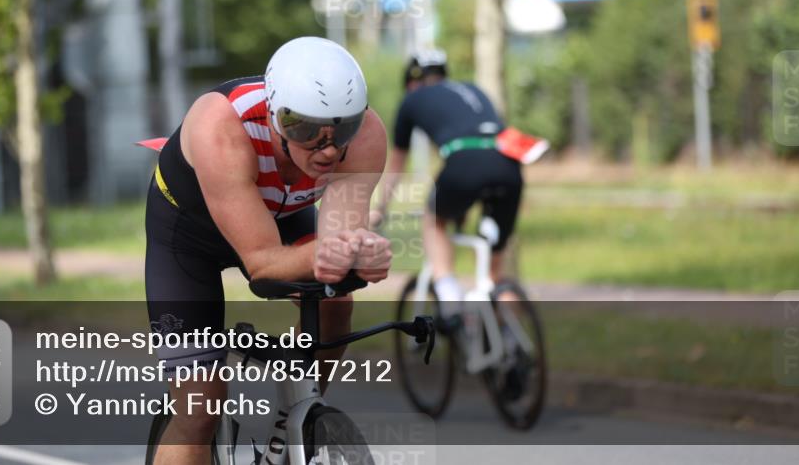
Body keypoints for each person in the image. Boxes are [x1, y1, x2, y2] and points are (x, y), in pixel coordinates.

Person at [145, 36, 391, 465]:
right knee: (199, 409)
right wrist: (331, 254)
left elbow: (339, 243)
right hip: (187, 236)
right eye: (306, 130)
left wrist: (359, 254)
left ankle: (296, 420)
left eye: (342, 129)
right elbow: (263, 265)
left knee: (336, 301)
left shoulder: (368, 134)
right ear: (277, 117)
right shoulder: (221, 123)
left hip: (277, 214)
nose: (328, 149)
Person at [370, 49, 524, 316]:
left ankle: (448, 292)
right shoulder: (472, 89)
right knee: (493, 274)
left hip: (465, 162)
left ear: (411, 82)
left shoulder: (412, 100)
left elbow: (396, 167)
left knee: (433, 219)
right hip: (509, 163)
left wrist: (380, 210)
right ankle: (510, 339)